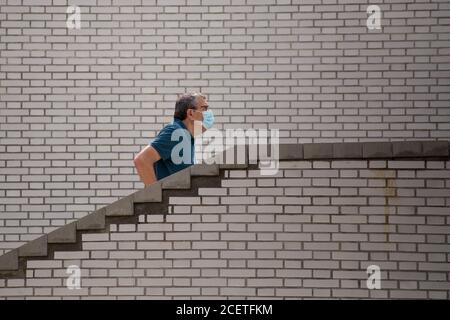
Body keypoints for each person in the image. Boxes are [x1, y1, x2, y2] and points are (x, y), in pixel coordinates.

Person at [134, 92, 214, 186]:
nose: (208, 113)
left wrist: (206, 125)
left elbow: (197, 130)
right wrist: (155, 195)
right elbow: (142, 160)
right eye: (204, 108)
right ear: (191, 113)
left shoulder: (186, 134)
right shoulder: (175, 132)